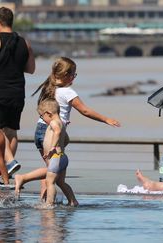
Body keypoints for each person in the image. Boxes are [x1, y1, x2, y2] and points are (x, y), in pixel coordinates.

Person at [31, 56, 120, 199]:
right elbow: (84, 110)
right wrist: (106, 119)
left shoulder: (49, 88)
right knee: (54, 173)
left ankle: (44, 202)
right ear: (66, 75)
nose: (74, 77)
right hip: (53, 132)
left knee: (50, 172)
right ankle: (47, 206)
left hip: (40, 129)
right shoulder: (68, 92)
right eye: (74, 74)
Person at [0, 6, 35, 157]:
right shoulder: (25, 43)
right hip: (17, 93)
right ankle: (8, 167)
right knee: (12, 131)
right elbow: (31, 69)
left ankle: (5, 165)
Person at [15, 99, 78, 207]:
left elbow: (57, 132)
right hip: (62, 156)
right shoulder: (61, 123)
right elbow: (67, 139)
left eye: (41, 116)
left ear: (48, 113)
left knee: (50, 182)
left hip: (56, 157)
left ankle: (49, 204)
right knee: (61, 183)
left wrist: (53, 147)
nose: (42, 119)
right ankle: (73, 201)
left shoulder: (54, 123)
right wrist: (60, 147)